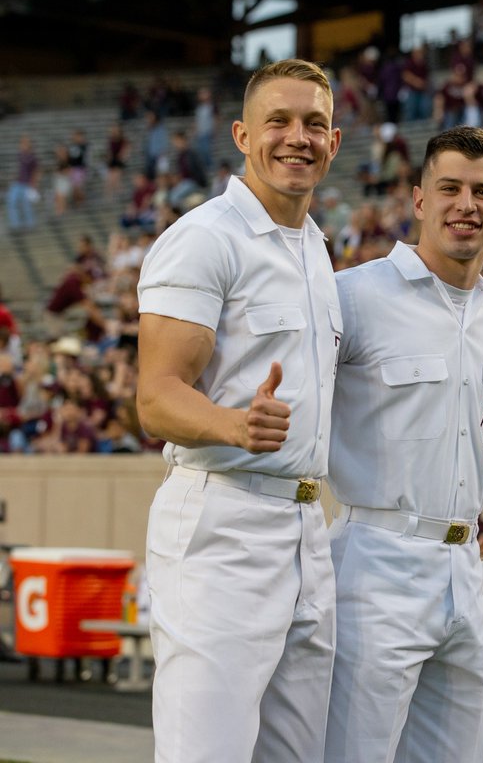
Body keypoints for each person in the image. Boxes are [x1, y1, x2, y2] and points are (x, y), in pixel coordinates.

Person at [135, 58, 342, 762]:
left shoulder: (316, 247)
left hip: (307, 529)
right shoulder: (206, 237)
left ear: (335, 142)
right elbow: (155, 394)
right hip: (224, 521)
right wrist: (233, 425)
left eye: (314, 123)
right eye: (278, 122)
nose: (297, 137)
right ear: (242, 134)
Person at [322, 126, 483, 762]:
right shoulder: (355, 294)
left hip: (466, 567)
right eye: (450, 188)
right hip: (377, 561)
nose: (467, 204)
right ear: (419, 200)